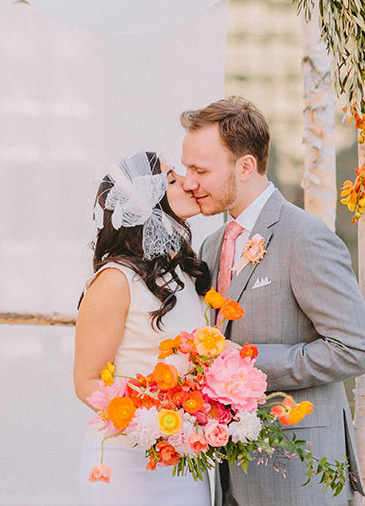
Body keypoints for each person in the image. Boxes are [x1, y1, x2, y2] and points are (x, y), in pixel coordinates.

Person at [180, 97, 365, 506]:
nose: (188, 182)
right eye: (186, 169)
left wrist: (246, 365)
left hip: (299, 475)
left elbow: (355, 349)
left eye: (200, 170)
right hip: (231, 471)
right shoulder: (213, 244)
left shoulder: (305, 237)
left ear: (246, 166)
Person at [74, 150, 213, 506]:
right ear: (145, 203)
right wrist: (158, 423)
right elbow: (87, 382)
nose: (188, 182)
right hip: (126, 463)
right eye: (171, 180)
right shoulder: (115, 279)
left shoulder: (182, 272)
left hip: (182, 463)